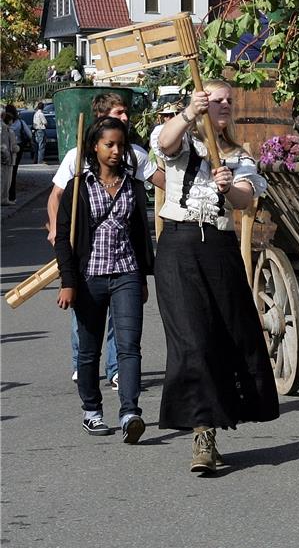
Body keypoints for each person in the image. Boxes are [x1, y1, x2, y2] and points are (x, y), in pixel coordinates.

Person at [153, 79, 278, 474]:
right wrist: (189, 112)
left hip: (220, 248)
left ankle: (212, 425)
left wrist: (229, 189)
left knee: (223, 340)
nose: (222, 105)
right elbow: (165, 142)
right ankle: (201, 434)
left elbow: (245, 198)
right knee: (191, 342)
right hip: (178, 245)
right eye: (215, 99)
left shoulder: (239, 155)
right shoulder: (184, 142)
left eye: (228, 101)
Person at [49, 93, 163, 386]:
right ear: (100, 119)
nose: (125, 118)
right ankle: (84, 365)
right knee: (87, 320)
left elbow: (160, 182)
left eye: (125, 113)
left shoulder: (133, 155)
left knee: (122, 324)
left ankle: (116, 371)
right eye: (119, 112)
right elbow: (57, 196)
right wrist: (55, 229)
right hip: (88, 258)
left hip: (124, 262)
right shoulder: (77, 156)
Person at [53, 117, 153, 442]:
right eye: (109, 144)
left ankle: (130, 413)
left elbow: (139, 235)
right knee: (88, 350)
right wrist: (68, 281)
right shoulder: (78, 186)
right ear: (94, 145)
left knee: (129, 347)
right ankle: (92, 411)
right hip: (89, 278)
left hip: (126, 272)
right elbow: (64, 239)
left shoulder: (133, 186)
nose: (115, 151)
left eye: (120, 145)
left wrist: (142, 279)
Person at [6, 103, 32, 203]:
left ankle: (4, 195)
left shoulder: (3, 124)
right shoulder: (20, 122)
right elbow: (29, 135)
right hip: (17, 149)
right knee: (13, 172)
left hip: (5, 148)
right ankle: (12, 196)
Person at [0, 109, 17, 206]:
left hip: (6, 157)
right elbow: (11, 146)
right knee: (6, 180)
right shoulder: (7, 130)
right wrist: (16, 148)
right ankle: (4, 199)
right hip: (7, 159)